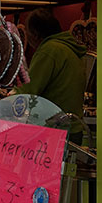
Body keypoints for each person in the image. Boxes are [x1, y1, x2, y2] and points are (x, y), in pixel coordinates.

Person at [16, 9, 87, 143]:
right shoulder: (69, 48)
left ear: (35, 34)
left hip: (53, 130)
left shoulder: (49, 50)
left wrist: (7, 99)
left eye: (28, 33)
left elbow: (29, 89)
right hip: (73, 129)